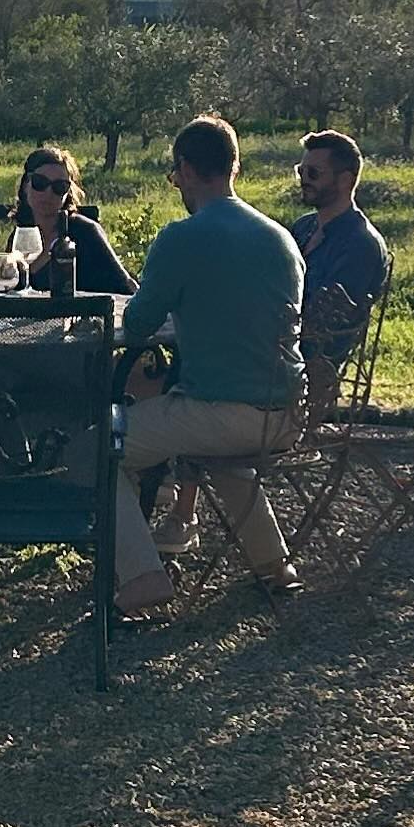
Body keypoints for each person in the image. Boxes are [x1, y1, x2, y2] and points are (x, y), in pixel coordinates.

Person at [110, 114, 306, 616]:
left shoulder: (182, 237)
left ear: (186, 170)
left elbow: (135, 326)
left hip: (224, 411)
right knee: (221, 447)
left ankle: (141, 575)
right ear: (233, 168)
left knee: (100, 447)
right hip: (287, 412)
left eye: (175, 176)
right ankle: (274, 564)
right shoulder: (281, 239)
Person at [10, 145, 136, 295]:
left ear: (67, 194)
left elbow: (127, 287)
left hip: (85, 316)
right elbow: (9, 288)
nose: (48, 193)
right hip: (33, 317)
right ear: (25, 185)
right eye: (40, 183)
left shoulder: (86, 232)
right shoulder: (22, 235)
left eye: (59, 187)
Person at [292, 130, 390, 317]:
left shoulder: (361, 243)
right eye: (301, 171)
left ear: (345, 180)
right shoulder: (302, 227)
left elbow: (330, 319)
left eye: (313, 173)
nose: (304, 180)